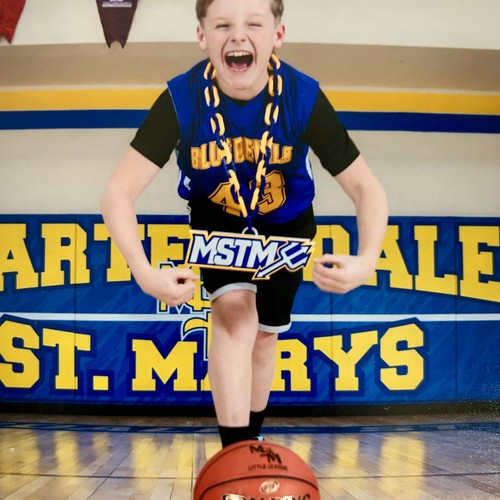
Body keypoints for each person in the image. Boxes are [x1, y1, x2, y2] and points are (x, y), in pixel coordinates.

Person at [100, 0, 388, 448]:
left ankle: (251, 440)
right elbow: (117, 192)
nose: (238, 35)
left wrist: (367, 259)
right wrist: (143, 272)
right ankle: (235, 453)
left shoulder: (303, 96)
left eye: (254, 23)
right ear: (202, 37)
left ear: (277, 35)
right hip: (218, 216)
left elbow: (366, 187)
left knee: (265, 337)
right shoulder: (181, 99)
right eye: (222, 25)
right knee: (234, 317)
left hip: (288, 223)